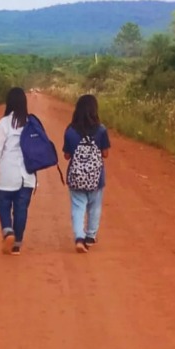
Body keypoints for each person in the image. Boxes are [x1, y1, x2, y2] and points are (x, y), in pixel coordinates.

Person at [0, 87, 35, 255]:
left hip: (8, 174)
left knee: (3, 204)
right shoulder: (32, 123)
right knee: (21, 209)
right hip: (27, 175)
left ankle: (7, 231)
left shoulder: (4, 123)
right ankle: (16, 244)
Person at [62, 94, 111, 253]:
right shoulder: (101, 130)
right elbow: (105, 154)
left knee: (78, 208)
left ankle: (79, 238)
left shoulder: (70, 131)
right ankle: (90, 236)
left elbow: (67, 155)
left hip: (76, 177)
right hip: (96, 178)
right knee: (94, 207)